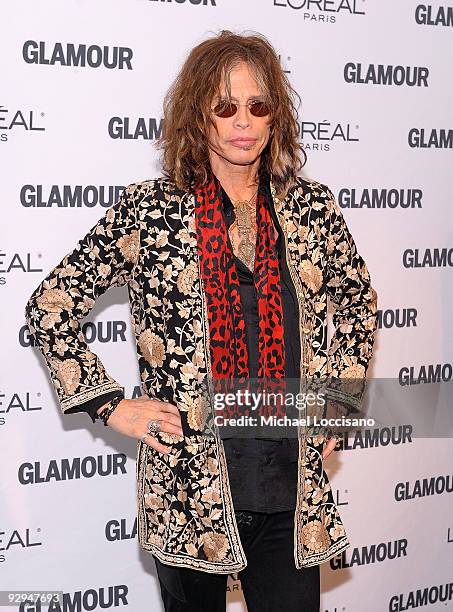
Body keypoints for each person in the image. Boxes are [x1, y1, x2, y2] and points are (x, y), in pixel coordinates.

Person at [25, 30, 378, 612]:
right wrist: (111, 404)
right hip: (189, 485)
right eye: (225, 106)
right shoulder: (149, 211)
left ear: (275, 118)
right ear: (199, 116)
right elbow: (50, 306)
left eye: (258, 105)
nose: (243, 120)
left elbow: (358, 301)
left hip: (291, 483)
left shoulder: (312, 211)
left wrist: (340, 397)